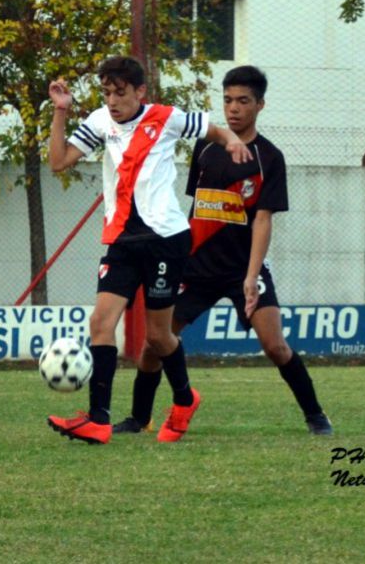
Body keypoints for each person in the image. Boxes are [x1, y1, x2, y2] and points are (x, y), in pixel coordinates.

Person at [113, 65, 333, 437]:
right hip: (195, 266)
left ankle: (316, 416)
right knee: (156, 341)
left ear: (260, 105)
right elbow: (196, 209)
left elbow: (262, 220)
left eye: (243, 101)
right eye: (228, 100)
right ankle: (138, 418)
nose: (233, 108)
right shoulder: (207, 147)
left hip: (242, 270)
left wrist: (251, 276)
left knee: (275, 346)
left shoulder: (269, 158)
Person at [45, 55, 252, 445]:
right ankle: (98, 419)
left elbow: (212, 130)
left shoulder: (166, 117)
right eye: (106, 92)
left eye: (120, 93)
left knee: (158, 338)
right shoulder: (99, 122)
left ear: (140, 91)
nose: (112, 101)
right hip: (120, 240)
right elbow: (58, 162)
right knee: (100, 324)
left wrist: (233, 141)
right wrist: (61, 112)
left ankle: (185, 398)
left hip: (165, 240)